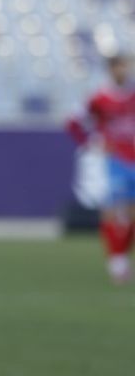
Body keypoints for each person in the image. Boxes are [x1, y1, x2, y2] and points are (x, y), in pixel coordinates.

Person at [66, 53, 135, 283]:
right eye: (120, 67)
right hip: (115, 160)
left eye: (126, 66)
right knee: (112, 210)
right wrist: (91, 144)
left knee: (131, 213)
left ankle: (121, 256)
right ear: (111, 69)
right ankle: (116, 261)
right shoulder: (99, 98)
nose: (124, 71)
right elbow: (73, 123)